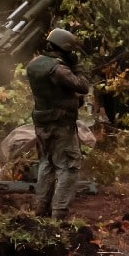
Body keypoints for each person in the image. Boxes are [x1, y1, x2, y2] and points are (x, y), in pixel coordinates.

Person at [25, 27, 90, 220]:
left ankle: (41, 210)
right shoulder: (58, 68)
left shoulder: (34, 64)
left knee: (47, 164)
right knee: (68, 166)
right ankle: (59, 214)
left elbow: (55, 92)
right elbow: (83, 86)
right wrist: (78, 67)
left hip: (42, 124)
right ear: (64, 48)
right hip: (60, 124)